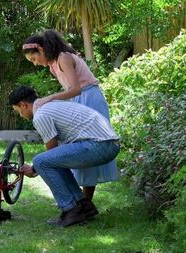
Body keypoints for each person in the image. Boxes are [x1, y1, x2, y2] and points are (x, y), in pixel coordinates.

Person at [22, 29, 118, 200]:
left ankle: (86, 199)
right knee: (76, 148)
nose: (35, 63)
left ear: (41, 50)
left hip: (89, 98)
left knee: (88, 143)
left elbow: (75, 89)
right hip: (77, 100)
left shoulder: (63, 58)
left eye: (34, 59)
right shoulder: (53, 66)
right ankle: (81, 198)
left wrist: (50, 98)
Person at [9, 86, 120, 227]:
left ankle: (71, 210)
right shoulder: (50, 106)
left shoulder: (41, 115)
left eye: (18, 111)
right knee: (51, 161)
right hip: (108, 144)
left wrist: (33, 169)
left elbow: (51, 151)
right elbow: (55, 156)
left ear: (23, 105)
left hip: (99, 145)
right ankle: (84, 206)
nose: (20, 114)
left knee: (40, 161)